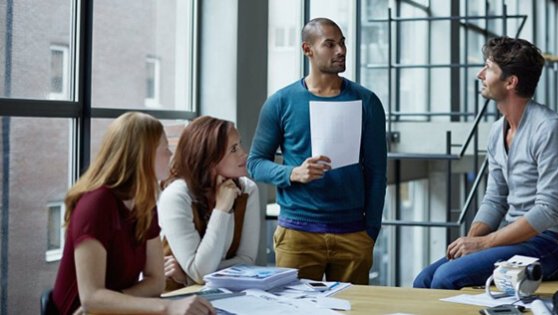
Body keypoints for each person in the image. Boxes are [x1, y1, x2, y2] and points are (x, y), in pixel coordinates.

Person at [413, 37, 558, 290]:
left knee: (445, 278)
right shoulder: (497, 131)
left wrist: (484, 245)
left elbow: (549, 210)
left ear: (510, 82)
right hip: (515, 240)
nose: (480, 74)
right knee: (424, 279)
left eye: (488, 68)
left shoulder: (549, 129)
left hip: (553, 244)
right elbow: (495, 198)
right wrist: (470, 242)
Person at [248, 17, 386, 285]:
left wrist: (370, 230)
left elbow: (377, 172)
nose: (341, 51)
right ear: (307, 49)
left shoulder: (366, 101)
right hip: (297, 234)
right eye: (330, 44)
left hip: (353, 234)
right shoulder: (280, 102)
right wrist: (293, 173)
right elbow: (255, 163)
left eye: (342, 43)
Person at [52, 112, 214, 315]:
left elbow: (156, 281)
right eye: (165, 149)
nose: (171, 156)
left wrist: (114, 300)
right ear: (144, 155)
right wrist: (167, 307)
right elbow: (91, 298)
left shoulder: (144, 203)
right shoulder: (95, 205)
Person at [158, 116, 260, 289]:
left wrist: (189, 275)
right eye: (234, 149)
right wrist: (221, 209)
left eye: (239, 145)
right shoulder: (176, 196)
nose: (244, 153)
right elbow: (201, 273)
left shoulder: (247, 189)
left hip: (224, 293)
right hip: (174, 298)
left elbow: (247, 261)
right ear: (209, 158)